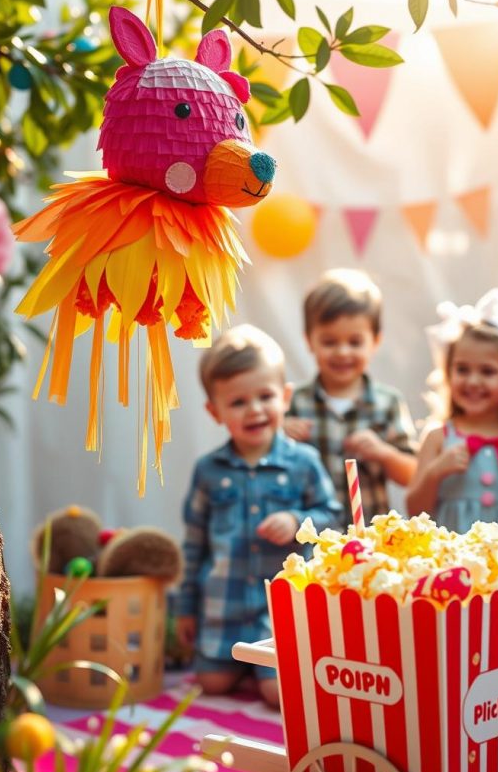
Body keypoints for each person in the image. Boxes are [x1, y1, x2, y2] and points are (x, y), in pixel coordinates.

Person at [172, 324, 341, 707]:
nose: (255, 410)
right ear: (215, 412)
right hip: (224, 607)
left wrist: (298, 520)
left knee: (277, 694)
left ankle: (265, 671)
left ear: (284, 397)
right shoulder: (209, 470)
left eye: (265, 396)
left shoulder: (304, 462)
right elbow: (194, 542)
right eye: (238, 402)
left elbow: (333, 518)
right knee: (211, 684)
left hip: (280, 612)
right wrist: (186, 608)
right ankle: (241, 666)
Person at [406, 289, 498, 535]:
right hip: (453, 564)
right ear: (448, 372)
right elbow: (414, 511)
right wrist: (435, 473)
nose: (473, 381)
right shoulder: (438, 437)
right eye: (462, 369)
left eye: (487, 372)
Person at [284, 268, 416, 522]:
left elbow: (411, 474)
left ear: (375, 341)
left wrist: (383, 452)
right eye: (329, 342)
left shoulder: (387, 403)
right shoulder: (293, 403)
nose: (343, 352)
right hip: (310, 541)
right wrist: (279, 434)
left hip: (369, 545)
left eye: (355, 342)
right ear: (309, 341)